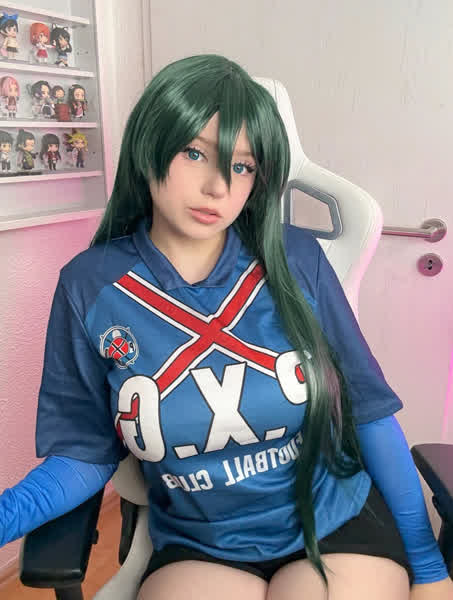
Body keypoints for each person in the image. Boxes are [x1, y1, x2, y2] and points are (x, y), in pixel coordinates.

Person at [0, 54, 451, 600]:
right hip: (203, 540)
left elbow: (369, 412)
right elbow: (84, 452)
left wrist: (429, 568)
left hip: (334, 522)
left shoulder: (296, 261)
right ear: (149, 147)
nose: (218, 187)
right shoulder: (90, 288)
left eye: (242, 167)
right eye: (195, 153)